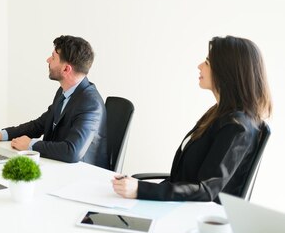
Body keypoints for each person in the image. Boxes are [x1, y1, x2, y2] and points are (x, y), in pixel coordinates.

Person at [112, 36, 272, 202]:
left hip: (193, 215)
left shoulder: (237, 126)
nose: (199, 66)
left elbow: (206, 190)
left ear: (226, 73)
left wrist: (141, 189)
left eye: (207, 63)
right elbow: (186, 177)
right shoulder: (218, 112)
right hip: (180, 206)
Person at [0, 35, 108, 166]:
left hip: (80, 175)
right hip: (55, 165)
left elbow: (72, 151)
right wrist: (0, 135)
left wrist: (30, 145)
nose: (48, 60)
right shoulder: (64, 91)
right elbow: (40, 125)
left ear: (66, 69)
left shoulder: (91, 104)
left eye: (53, 57)